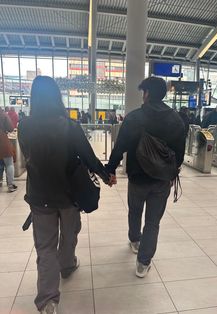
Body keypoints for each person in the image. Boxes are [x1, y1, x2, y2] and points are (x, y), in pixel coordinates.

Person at [18, 76, 114, 314]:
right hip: (70, 194)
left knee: (45, 246)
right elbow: (89, 156)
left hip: (40, 196)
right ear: (56, 97)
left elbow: (30, 156)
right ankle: (68, 265)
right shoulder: (70, 126)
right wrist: (105, 175)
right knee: (70, 232)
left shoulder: (25, 126)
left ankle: (49, 301)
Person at [106, 77, 185, 278]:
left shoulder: (134, 118)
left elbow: (120, 147)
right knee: (152, 222)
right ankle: (143, 263)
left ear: (147, 93)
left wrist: (111, 169)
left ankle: (134, 240)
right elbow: (180, 154)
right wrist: (170, 173)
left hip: (137, 177)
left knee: (135, 210)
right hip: (161, 181)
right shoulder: (176, 119)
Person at [0, 107, 17, 192]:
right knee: (9, 163)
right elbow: (10, 128)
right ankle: (10, 185)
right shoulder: (3, 115)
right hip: (2, 140)